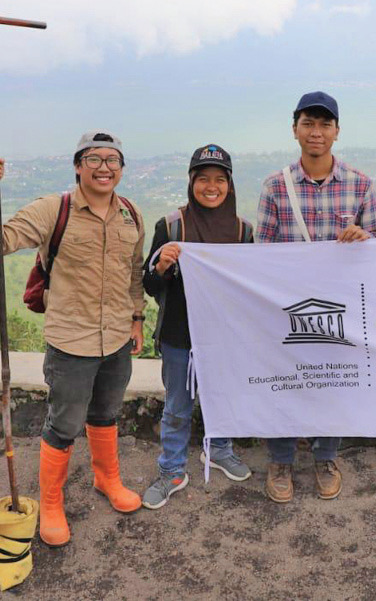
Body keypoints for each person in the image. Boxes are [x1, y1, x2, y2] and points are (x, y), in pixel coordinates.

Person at [0, 130, 146, 547]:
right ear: (77, 166)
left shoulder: (130, 214)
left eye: (112, 160)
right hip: (71, 342)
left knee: (106, 413)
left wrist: (137, 319)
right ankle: (51, 502)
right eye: (94, 159)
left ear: (122, 168)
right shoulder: (55, 209)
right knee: (65, 423)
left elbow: (134, 272)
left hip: (117, 338)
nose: (104, 167)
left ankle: (108, 479)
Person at [255, 91, 376, 503]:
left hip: (340, 309)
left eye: (325, 124)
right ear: (294, 130)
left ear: (337, 131)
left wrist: (365, 238)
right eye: (308, 123)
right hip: (287, 308)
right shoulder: (276, 186)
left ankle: (326, 458)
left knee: (333, 381)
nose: (316, 132)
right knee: (285, 382)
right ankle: (281, 461)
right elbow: (262, 251)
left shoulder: (360, 185)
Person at [140, 144, 254, 509]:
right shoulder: (172, 226)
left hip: (224, 338)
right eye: (203, 178)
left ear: (230, 185)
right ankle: (172, 469)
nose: (211, 187)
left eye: (220, 179)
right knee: (177, 406)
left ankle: (219, 450)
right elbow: (148, 284)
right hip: (179, 336)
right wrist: (161, 266)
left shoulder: (242, 230)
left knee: (224, 397)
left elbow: (251, 285)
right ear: (191, 182)